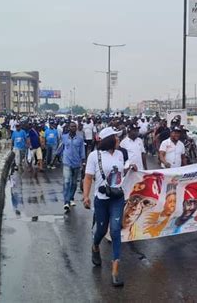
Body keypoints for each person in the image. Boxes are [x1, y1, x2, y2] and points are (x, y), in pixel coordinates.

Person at [82, 127, 136, 287]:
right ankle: (95, 246)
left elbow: (118, 172)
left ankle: (115, 271)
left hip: (117, 199)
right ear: (109, 140)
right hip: (101, 199)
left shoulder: (120, 154)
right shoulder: (94, 155)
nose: (119, 140)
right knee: (100, 229)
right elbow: (88, 177)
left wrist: (129, 168)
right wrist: (86, 196)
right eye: (116, 137)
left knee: (114, 230)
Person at [60, 122, 85, 211]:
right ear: (69, 128)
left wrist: (83, 162)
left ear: (76, 128)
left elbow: (82, 151)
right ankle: (66, 202)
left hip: (76, 163)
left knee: (74, 183)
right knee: (67, 182)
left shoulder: (80, 139)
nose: (73, 128)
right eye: (71, 126)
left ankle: (71, 198)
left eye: (75, 127)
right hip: (67, 163)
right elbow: (61, 148)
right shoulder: (64, 137)